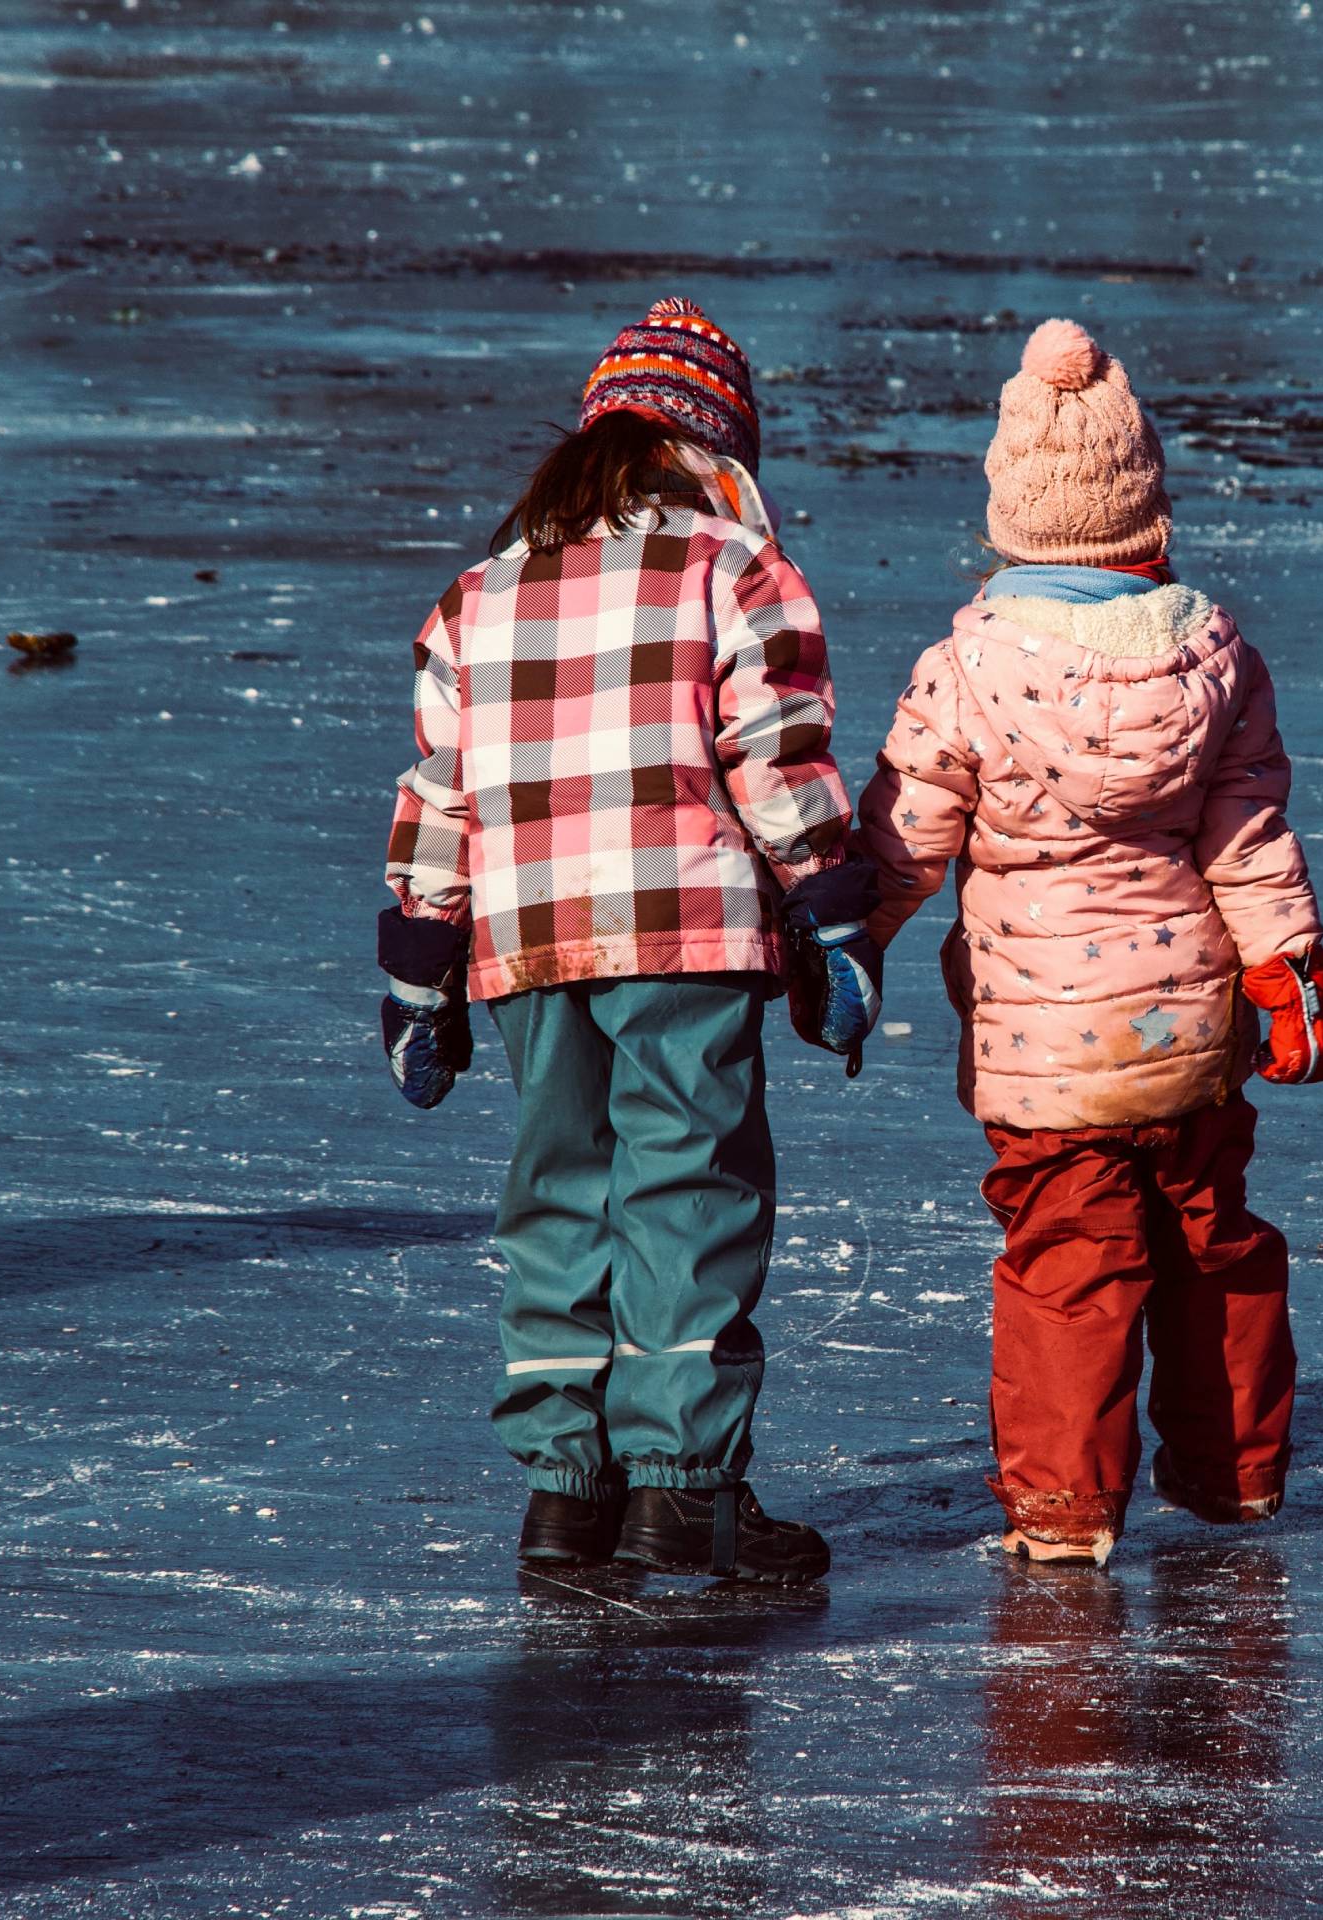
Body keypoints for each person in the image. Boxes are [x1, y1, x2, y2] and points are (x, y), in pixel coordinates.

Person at [377, 296, 880, 1584]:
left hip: (531, 944)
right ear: (716, 448)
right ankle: (683, 1490)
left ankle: (566, 1492)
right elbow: (778, 765)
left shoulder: (480, 595)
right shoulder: (735, 568)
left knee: (556, 1191)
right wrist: (835, 915)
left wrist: (419, 969)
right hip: (685, 932)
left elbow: (442, 789)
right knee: (687, 1192)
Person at [854, 319, 1323, 1567]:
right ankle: (1234, 1474)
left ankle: (1067, 1512)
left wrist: (843, 943)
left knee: (1071, 1263)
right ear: (1146, 517)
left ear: (1011, 525)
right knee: (1209, 1236)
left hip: (1045, 1049)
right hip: (1186, 1033)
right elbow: (1249, 840)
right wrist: (1288, 977)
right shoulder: (1214, 657)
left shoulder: (966, 667)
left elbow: (908, 839)